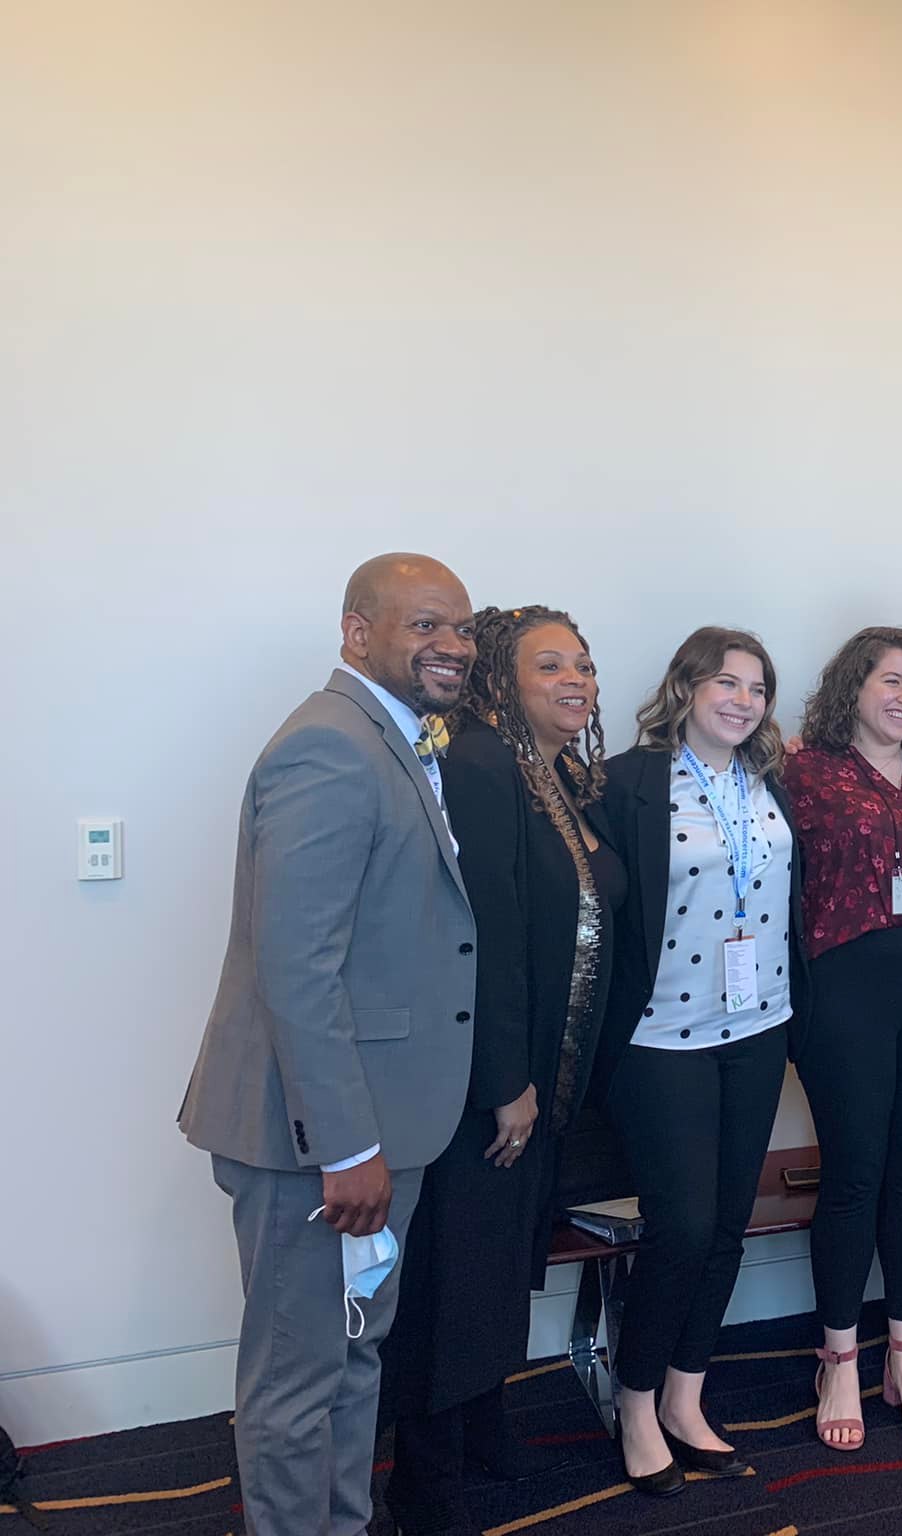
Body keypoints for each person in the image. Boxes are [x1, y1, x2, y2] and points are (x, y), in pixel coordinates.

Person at [177, 553, 478, 1536]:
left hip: (378, 1128)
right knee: (298, 1384)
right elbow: (294, 969)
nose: (451, 646)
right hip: (313, 1139)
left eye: (462, 629)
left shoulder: (398, 738)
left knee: (353, 1360)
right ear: (356, 633)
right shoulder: (330, 748)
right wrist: (345, 1146)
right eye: (423, 625)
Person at [379, 606, 625, 1534]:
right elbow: (484, 941)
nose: (576, 680)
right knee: (457, 1283)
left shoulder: (555, 776)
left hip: (545, 1084)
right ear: (499, 681)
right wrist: (504, 1083)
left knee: (498, 1272)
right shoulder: (482, 765)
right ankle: (426, 1486)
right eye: (549, 664)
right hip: (491, 1087)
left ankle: (484, 1430)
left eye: (586, 665)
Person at [597, 628, 806, 1495]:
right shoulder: (629, 782)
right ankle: (635, 1402)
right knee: (679, 1228)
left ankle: (687, 1396)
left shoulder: (767, 780)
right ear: (685, 686)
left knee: (725, 1225)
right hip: (662, 1037)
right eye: (726, 682)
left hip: (758, 1027)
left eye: (757, 688)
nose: (743, 700)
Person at [783, 628, 902, 1449]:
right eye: (890, 680)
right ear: (851, 686)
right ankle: (838, 1359)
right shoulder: (800, 769)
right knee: (854, 1176)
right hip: (845, 988)